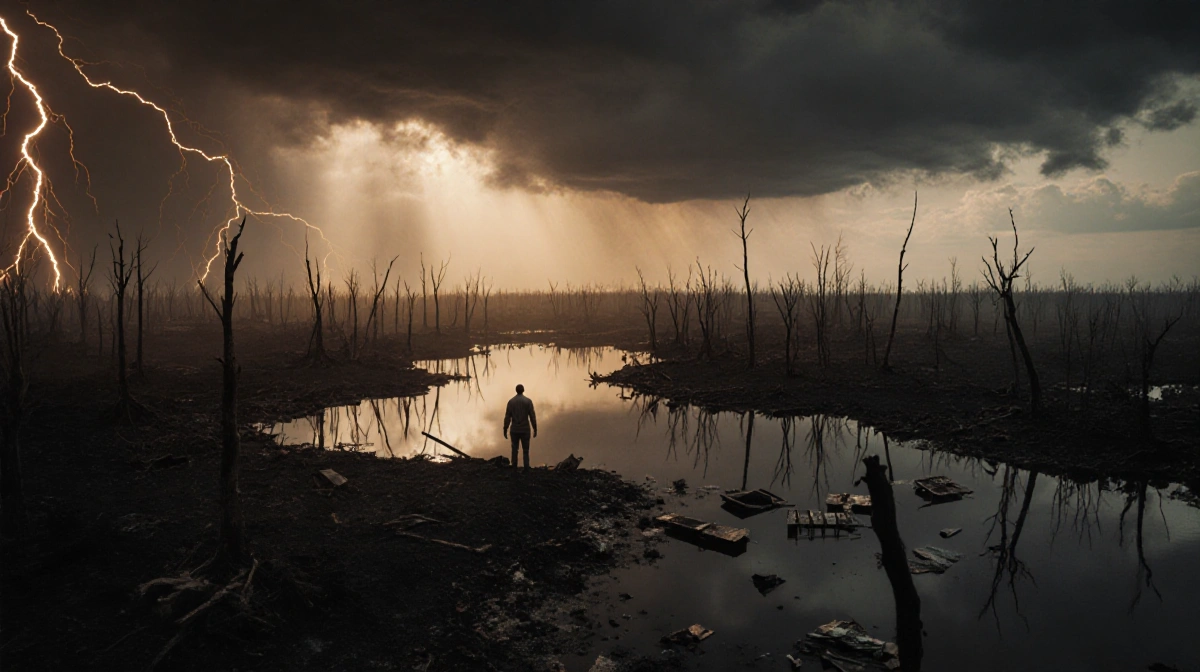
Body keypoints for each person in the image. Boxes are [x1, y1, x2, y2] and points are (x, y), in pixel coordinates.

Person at [503, 384, 537, 469]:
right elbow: (532, 416)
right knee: (526, 450)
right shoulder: (528, 401)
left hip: (514, 429)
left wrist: (505, 428)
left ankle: (514, 466)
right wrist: (535, 428)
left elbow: (507, 417)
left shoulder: (511, 402)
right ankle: (526, 467)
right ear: (523, 390)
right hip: (525, 429)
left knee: (514, 449)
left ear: (516, 390)